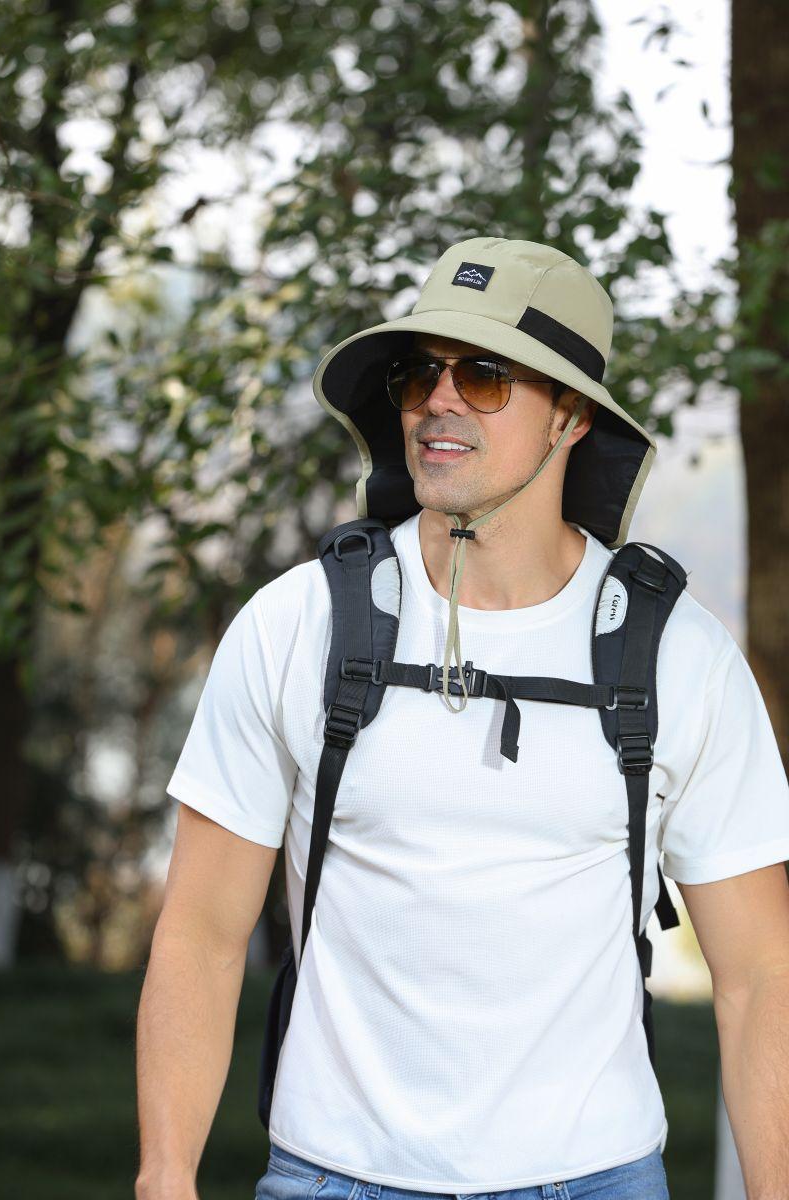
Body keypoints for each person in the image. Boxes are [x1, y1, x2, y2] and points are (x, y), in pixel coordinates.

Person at [135, 238, 789, 1200]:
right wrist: (163, 1177)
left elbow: (760, 974)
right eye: (419, 373)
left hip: (595, 1177)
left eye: (484, 375)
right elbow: (200, 933)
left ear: (571, 415)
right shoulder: (298, 624)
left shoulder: (678, 655)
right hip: (332, 1175)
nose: (438, 400)